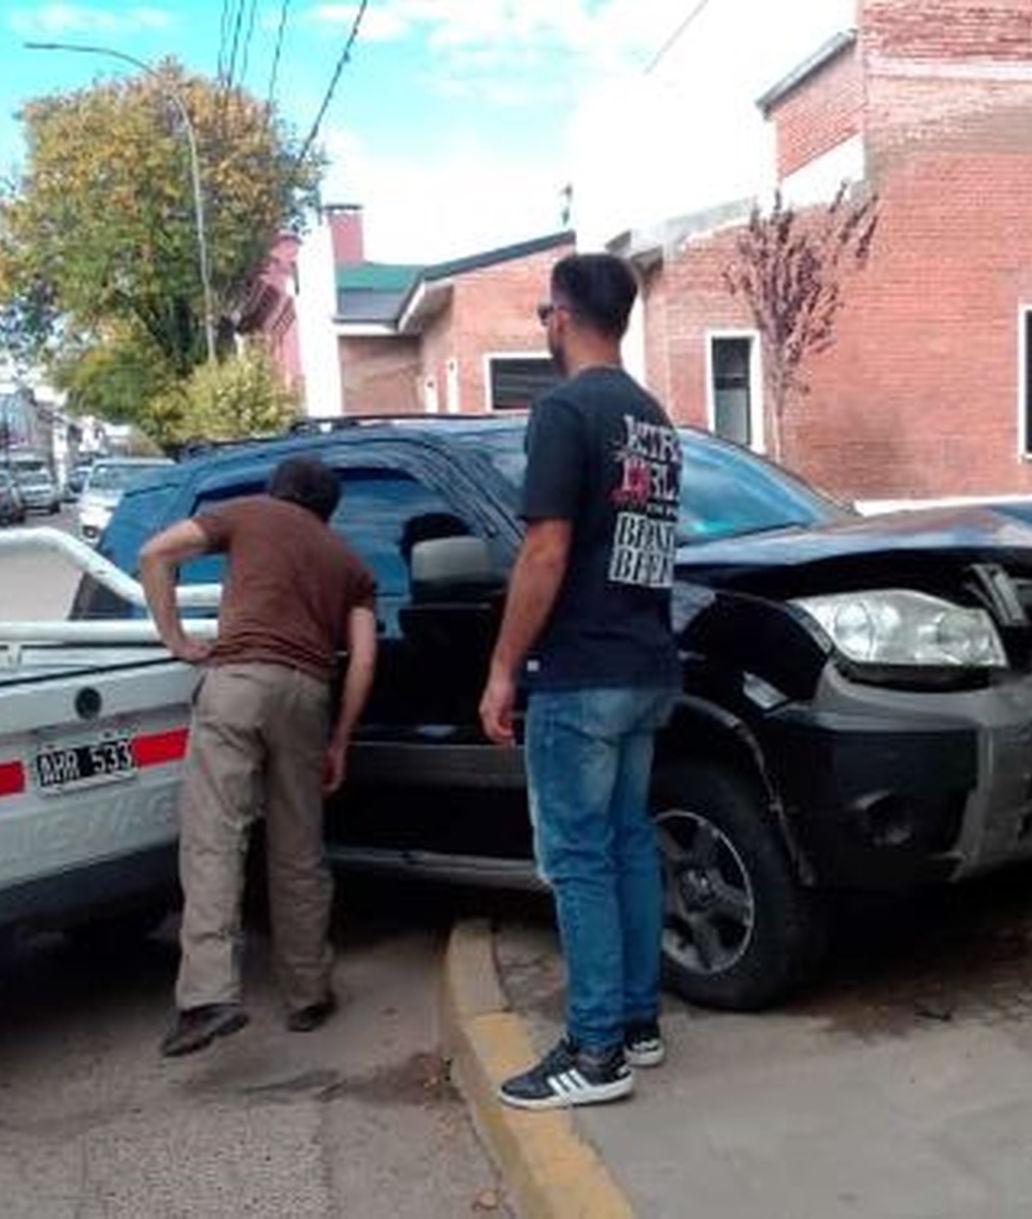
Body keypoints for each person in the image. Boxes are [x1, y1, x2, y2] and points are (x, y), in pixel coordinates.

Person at [480, 253, 682, 1110]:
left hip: (583, 674)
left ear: (562, 315)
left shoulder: (564, 411)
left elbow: (546, 549)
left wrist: (500, 670)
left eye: (542, 312)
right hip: (645, 662)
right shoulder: (652, 417)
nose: (543, 325)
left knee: (579, 858)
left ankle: (596, 1050)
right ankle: (638, 1021)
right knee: (628, 840)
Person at [141, 456, 378, 1058]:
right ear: (328, 508)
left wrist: (176, 640)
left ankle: (209, 997)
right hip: (308, 696)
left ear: (279, 492)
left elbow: (155, 554)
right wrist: (340, 739)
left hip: (239, 681)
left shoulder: (250, 515)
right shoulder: (348, 561)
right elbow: (365, 661)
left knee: (215, 838)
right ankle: (308, 992)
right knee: (299, 848)